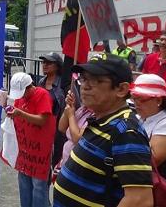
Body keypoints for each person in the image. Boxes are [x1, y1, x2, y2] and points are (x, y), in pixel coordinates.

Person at [53, 53, 153, 207]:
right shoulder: (100, 118)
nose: (85, 86)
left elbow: (140, 200)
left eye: (97, 81)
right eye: (84, 79)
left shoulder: (127, 131)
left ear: (121, 89)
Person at [0, 72, 55, 207]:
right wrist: (5, 105)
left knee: (38, 186)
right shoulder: (20, 98)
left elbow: (43, 120)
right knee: (24, 182)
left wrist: (20, 113)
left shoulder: (42, 95)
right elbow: (14, 113)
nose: (22, 96)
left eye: (23, 93)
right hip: (24, 149)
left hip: (39, 150)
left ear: (30, 87)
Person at [130, 74, 166, 171]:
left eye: (142, 99)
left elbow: (152, 160)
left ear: (158, 100)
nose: (136, 103)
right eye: (134, 98)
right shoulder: (138, 118)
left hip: (155, 183)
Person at [55, 89, 94, 177]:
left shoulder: (95, 116)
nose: (83, 93)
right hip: (67, 163)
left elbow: (77, 139)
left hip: (77, 170)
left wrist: (71, 115)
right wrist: (68, 107)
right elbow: (61, 127)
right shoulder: (83, 109)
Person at [38, 52, 66, 169]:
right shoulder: (41, 82)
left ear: (57, 65)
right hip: (41, 126)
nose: (45, 65)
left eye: (49, 63)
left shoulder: (64, 84)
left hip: (57, 130)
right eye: (43, 62)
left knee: (56, 161)